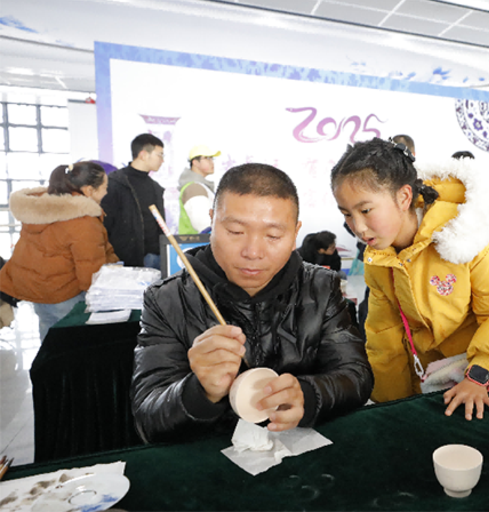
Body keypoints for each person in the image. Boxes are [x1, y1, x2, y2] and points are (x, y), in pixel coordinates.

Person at [131, 163, 373, 443]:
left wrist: (308, 394)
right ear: (212, 221)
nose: (253, 252)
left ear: (295, 233)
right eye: (235, 231)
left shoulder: (320, 286)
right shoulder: (168, 299)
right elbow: (148, 418)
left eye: (273, 236)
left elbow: (356, 376)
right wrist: (200, 391)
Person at [331, 138, 489, 420]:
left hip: (480, 385)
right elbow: (384, 337)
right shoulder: (379, 257)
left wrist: (481, 372)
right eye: (347, 214)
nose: (358, 228)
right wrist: (391, 406)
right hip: (427, 383)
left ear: (404, 197)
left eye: (365, 210)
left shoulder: (467, 235)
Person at [0, 162, 118, 339]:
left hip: (37, 288)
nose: (106, 193)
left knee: (49, 336)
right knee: (70, 342)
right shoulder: (83, 221)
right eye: (104, 188)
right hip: (64, 292)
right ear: (89, 190)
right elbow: (90, 271)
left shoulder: (41, 207)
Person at [102, 133, 165, 269]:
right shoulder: (115, 183)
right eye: (159, 155)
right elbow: (106, 225)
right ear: (143, 155)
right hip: (126, 261)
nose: (162, 160)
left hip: (156, 257)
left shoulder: (155, 187)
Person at [178, 144, 220, 234]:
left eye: (212, 159)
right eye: (207, 158)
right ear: (195, 163)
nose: (212, 162)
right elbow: (205, 225)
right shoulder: (194, 188)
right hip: (199, 241)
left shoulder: (200, 186)